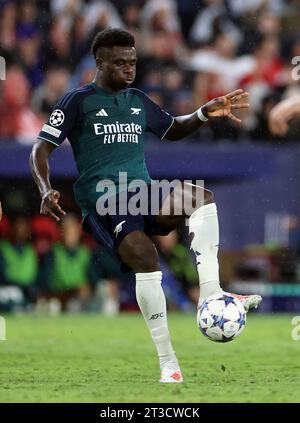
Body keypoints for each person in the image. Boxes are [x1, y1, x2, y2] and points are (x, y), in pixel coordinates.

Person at [30, 28, 262, 383]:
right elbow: (40, 149)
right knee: (147, 259)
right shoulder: (77, 101)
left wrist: (202, 112)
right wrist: (45, 188)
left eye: (133, 62)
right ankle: (168, 362)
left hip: (144, 191)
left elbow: (171, 128)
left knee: (201, 198)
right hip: (105, 201)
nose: (129, 69)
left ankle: (211, 294)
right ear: (100, 63)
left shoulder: (138, 100)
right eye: (120, 63)